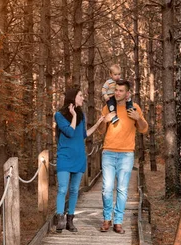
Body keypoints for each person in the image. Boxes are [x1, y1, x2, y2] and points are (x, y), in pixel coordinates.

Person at [99, 79, 148, 234]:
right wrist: (104, 121)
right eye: (116, 90)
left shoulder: (134, 108)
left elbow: (144, 129)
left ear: (127, 93)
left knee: (122, 189)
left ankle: (118, 221)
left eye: (121, 91)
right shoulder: (108, 107)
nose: (117, 93)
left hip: (126, 154)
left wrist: (137, 118)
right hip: (108, 152)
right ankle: (107, 218)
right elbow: (101, 131)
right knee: (107, 189)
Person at [54, 86, 105, 233]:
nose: (83, 98)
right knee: (63, 188)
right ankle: (60, 219)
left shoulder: (81, 116)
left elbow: (83, 134)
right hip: (64, 157)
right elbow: (70, 132)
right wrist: (74, 115)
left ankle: (70, 220)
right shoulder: (59, 115)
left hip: (79, 157)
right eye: (80, 95)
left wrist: (98, 123)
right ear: (73, 98)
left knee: (74, 190)